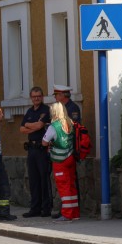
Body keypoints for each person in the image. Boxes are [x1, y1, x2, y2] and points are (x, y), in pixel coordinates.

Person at [42, 102, 80, 222]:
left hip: (60, 159)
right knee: (71, 185)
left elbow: (44, 142)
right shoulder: (70, 123)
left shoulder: (54, 126)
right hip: (70, 157)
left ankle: (67, 214)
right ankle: (75, 213)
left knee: (63, 187)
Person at [20, 87, 52, 217]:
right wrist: (33, 126)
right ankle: (35, 209)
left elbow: (40, 126)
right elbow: (21, 129)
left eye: (38, 96)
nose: (36, 98)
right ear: (31, 97)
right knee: (33, 180)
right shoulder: (29, 111)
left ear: (42, 96)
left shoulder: (46, 110)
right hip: (31, 149)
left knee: (44, 179)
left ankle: (46, 209)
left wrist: (29, 125)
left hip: (42, 149)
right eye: (34, 96)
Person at [52, 84, 81, 219]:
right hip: (65, 151)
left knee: (67, 183)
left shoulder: (72, 108)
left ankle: (70, 212)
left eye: (57, 95)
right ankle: (70, 211)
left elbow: (74, 129)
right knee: (68, 183)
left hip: (68, 152)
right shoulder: (62, 108)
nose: (56, 98)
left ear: (63, 95)